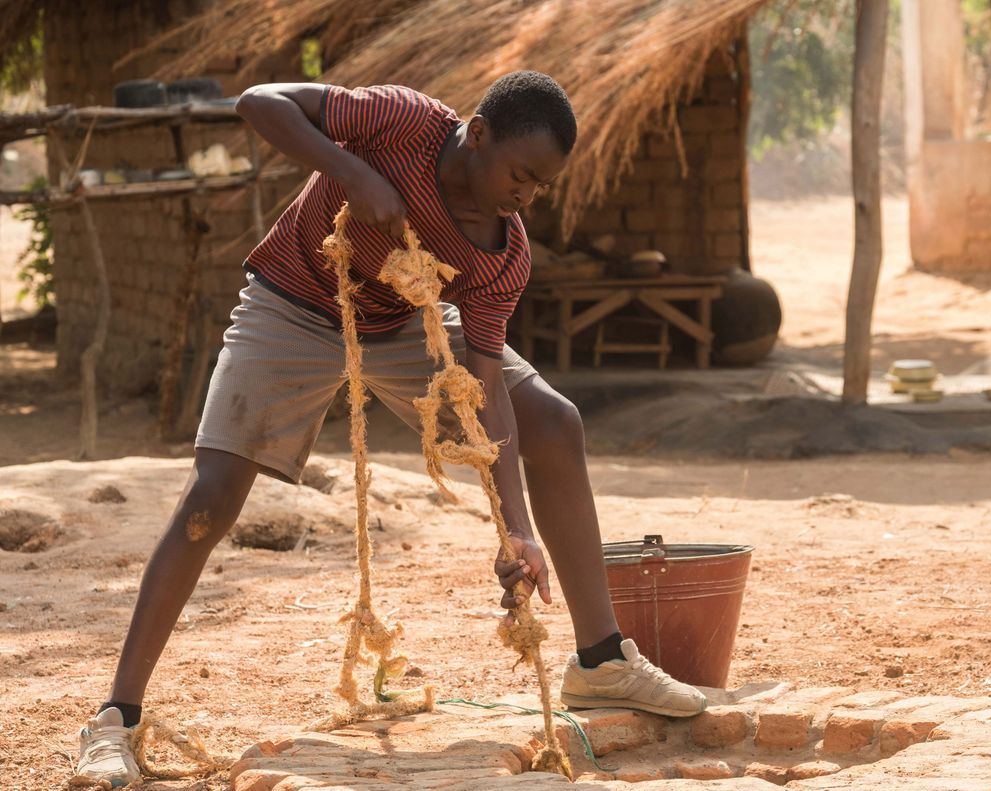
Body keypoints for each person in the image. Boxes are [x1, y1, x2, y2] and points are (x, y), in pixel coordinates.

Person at [74, 71, 706, 787]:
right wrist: (350, 171)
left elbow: (483, 386)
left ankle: (600, 660)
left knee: (554, 422)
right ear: (479, 133)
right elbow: (258, 104)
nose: (527, 193)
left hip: (408, 324)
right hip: (295, 302)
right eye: (520, 173)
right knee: (208, 500)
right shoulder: (403, 123)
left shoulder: (502, 251)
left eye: (541, 185)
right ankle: (116, 718)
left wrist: (516, 529)